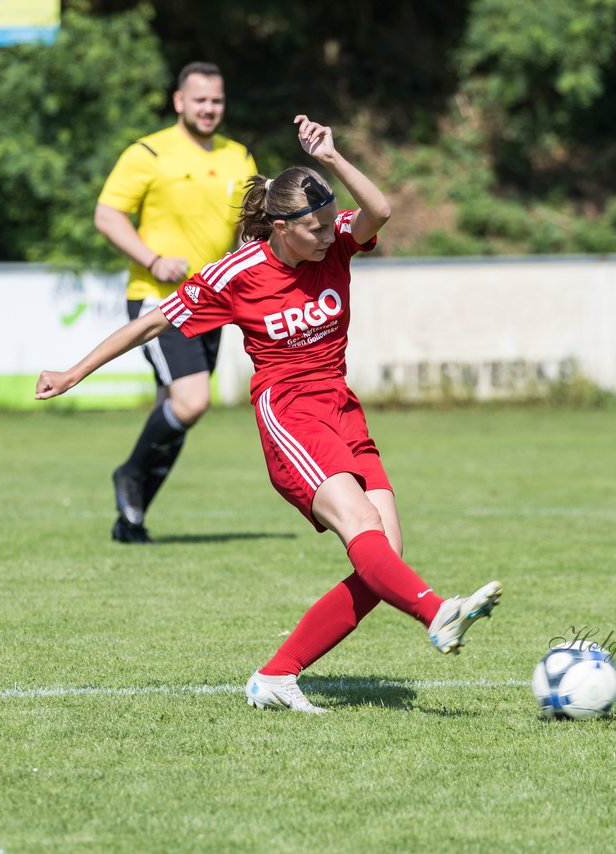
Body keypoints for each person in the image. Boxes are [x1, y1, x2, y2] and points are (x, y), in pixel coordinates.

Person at [39, 115, 502, 713]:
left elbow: (379, 211)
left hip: (342, 407)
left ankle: (278, 674)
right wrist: (76, 371)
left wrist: (333, 158)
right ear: (280, 229)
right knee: (363, 528)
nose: (325, 238)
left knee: (387, 549)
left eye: (325, 225)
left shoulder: (333, 241)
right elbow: (154, 320)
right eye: (310, 230)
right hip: (290, 416)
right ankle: (437, 612)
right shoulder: (241, 274)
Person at [94, 61, 258, 544]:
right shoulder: (148, 152)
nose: (210, 109)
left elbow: (248, 228)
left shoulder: (239, 157)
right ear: (179, 101)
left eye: (217, 101)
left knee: (173, 410)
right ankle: (127, 474)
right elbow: (108, 215)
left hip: (212, 302)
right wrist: (153, 257)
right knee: (192, 401)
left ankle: (132, 519)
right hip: (159, 298)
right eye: (200, 100)